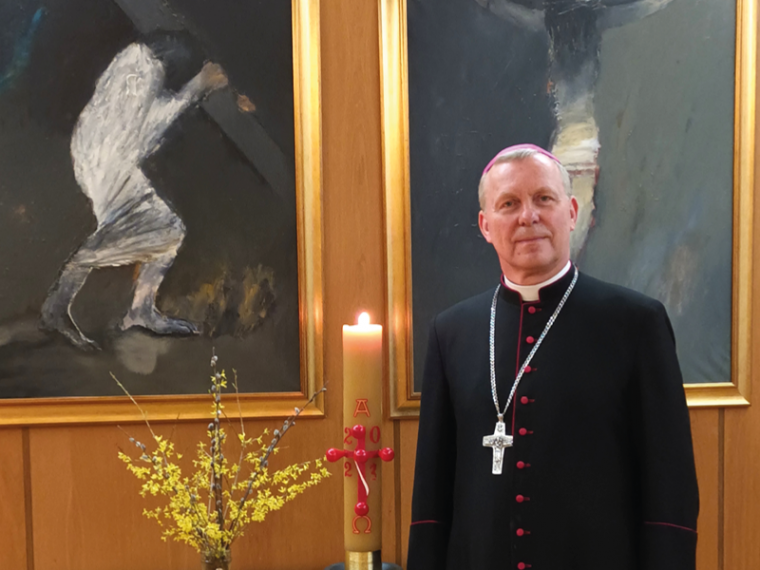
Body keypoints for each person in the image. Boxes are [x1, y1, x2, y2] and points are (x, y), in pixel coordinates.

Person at [407, 144, 698, 569]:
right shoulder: (451, 332)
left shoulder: (635, 324)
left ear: (572, 212)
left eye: (544, 198)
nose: (528, 216)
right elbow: (431, 500)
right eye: (509, 204)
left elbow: (670, 490)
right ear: (486, 225)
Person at [40, 33, 228, 349]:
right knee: (128, 233)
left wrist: (199, 87)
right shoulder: (143, 68)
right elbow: (144, 133)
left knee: (168, 229)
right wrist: (197, 86)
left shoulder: (138, 63)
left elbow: (142, 122)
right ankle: (57, 306)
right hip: (106, 159)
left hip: (105, 155)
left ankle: (141, 310)